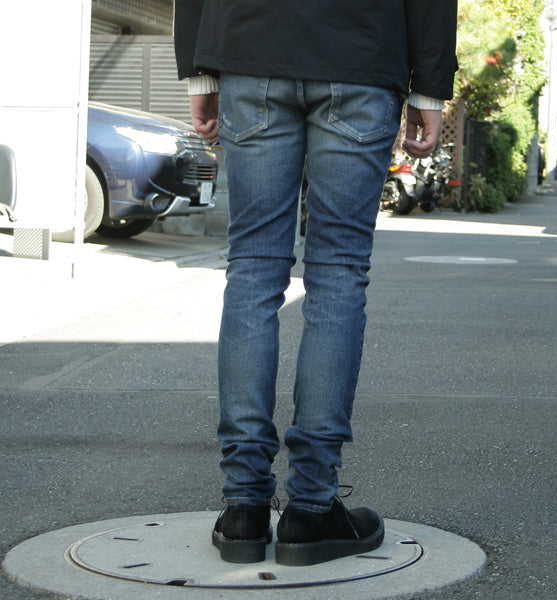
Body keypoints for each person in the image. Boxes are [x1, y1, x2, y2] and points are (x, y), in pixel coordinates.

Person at [174, 0, 458, 566]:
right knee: (338, 274)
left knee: (252, 268)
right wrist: (429, 88)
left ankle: (244, 505)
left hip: (250, 44)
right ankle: (310, 506)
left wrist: (201, 70)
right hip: (361, 53)